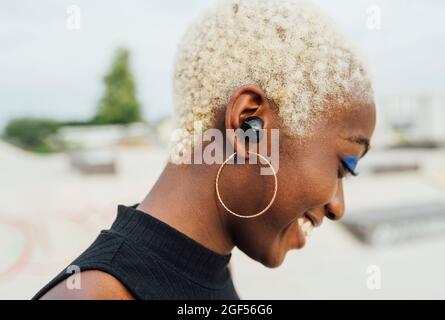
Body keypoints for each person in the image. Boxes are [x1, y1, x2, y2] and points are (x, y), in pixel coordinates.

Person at [34, 0, 376, 300]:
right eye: (342, 167)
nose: (338, 207)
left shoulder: (210, 267)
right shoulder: (98, 295)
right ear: (248, 125)